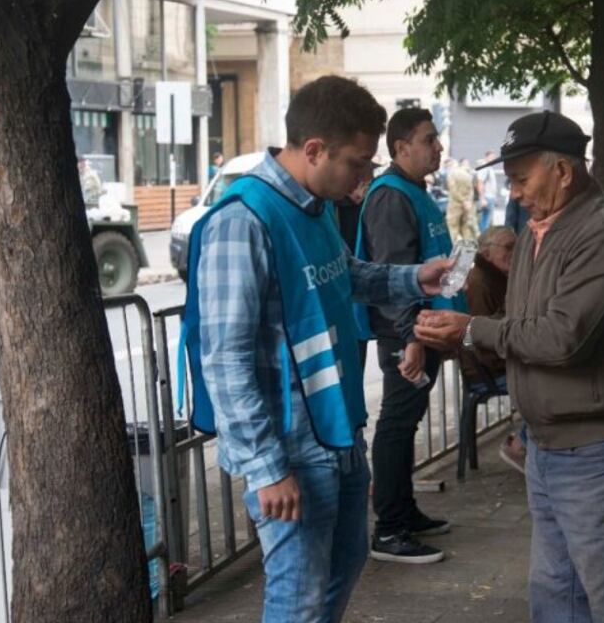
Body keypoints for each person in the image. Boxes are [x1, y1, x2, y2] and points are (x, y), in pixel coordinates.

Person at [185, 75, 454, 623]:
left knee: (345, 561)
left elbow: (343, 276)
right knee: (298, 597)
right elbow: (226, 359)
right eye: (358, 163)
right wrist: (266, 468)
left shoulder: (317, 205)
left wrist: (413, 279)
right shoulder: (243, 221)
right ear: (313, 150)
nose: (364, 178)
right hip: (290, 446)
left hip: (336, 429)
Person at [414, 111, 604, 621]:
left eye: (522, 179)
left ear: (563, 171)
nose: (515, 193)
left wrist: (472, 330)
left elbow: (561, 338)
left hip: (594, 448)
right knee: (555, 592)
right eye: (509, 181)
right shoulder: (537, 232)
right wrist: (449, 335)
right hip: (546, 444)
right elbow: (517, 323)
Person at [354, 107, 469, 565]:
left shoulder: (414, 190)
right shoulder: (390, 197)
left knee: (408, 421)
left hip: (425, 331)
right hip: (407, 334)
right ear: (401, 148)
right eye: (428, 139)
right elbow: (391, 275)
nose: (438, 146)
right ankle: (390, 529)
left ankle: (404, 511)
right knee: (398, 425)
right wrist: (411, 338)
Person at [457, 226, 523, 472]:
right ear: (486, 254)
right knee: (547, 382)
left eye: (517, 246)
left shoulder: (503, 277)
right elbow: (477, 339)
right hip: (487, 369)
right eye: (508, 247)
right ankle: (520, 445)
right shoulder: (480, 283)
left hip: (505, 359)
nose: (515, 253)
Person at [446, 159, 479, 241]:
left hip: (455, 205)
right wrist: (468, 201)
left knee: (452, 228)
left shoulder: (452, 174)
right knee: (466, 229)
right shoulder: (469, 174)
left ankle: (451, 250)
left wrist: (462, 200)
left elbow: (452, 189)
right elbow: (471, 189)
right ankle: (467, 251)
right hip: (467, 205)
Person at [475, 151, 499, 232]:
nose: (494, 159)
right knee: (485, 221)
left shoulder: (489, 168)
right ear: (487, 157)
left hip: (490, 198)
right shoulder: (485, 168)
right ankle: (483, 241)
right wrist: (482, 199)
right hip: (487, 198)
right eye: (492, 157)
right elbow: (480, 182)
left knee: (488, 221)